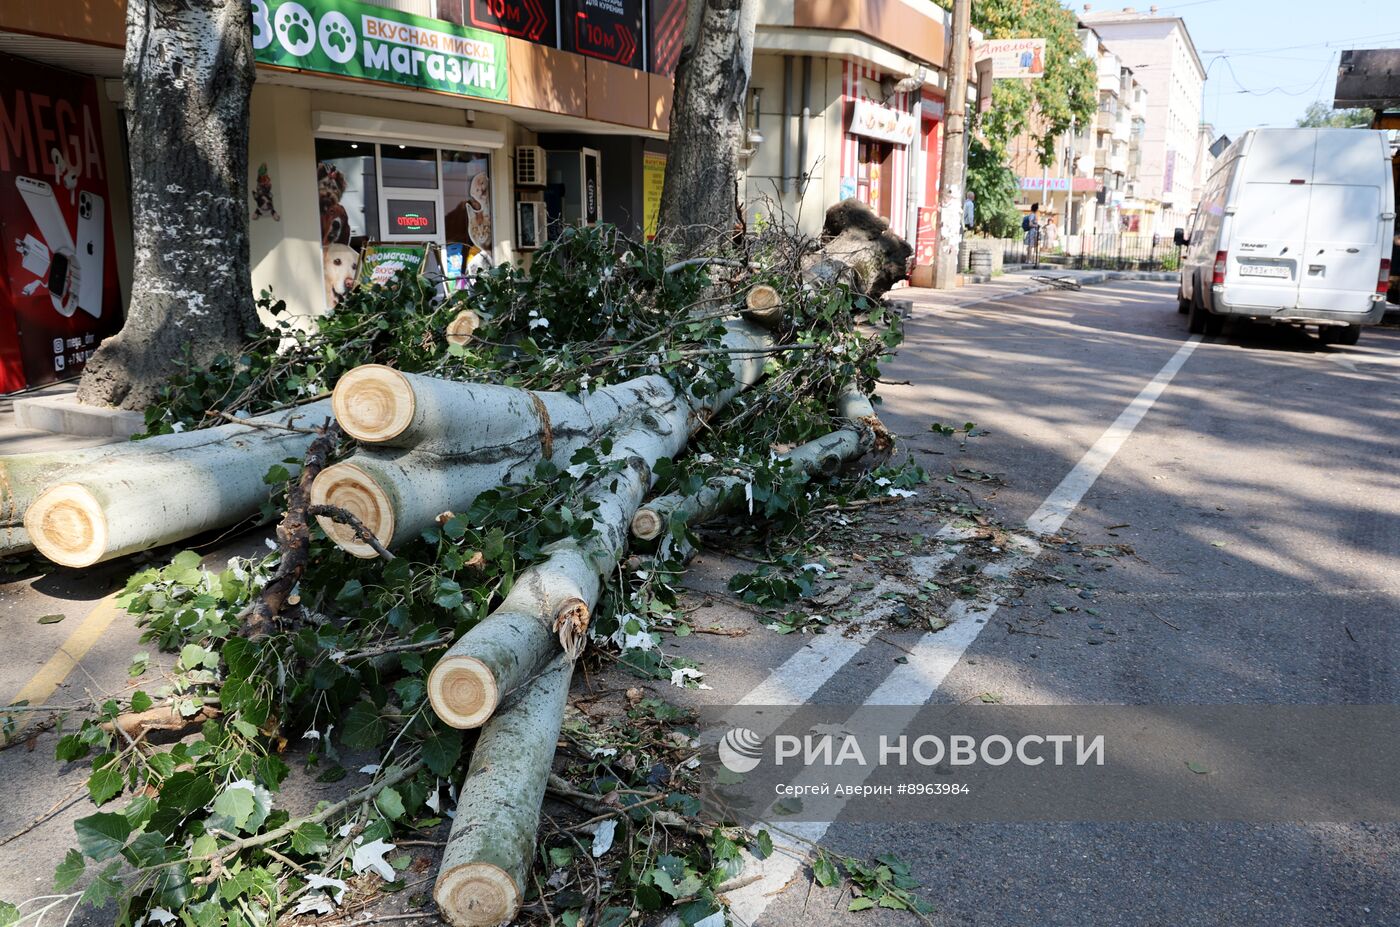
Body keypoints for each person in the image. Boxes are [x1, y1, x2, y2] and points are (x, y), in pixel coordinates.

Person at [1022, 202, 1041, 266]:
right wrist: (1036, 226)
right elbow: (1030, 224)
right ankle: (1029, 260)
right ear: (1036, 209)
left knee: (1030, 246)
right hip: (1032, 232)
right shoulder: (1032, 215)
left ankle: (1029, 259)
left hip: (1032, 232)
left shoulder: (1032, 215)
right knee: (1030, 246)